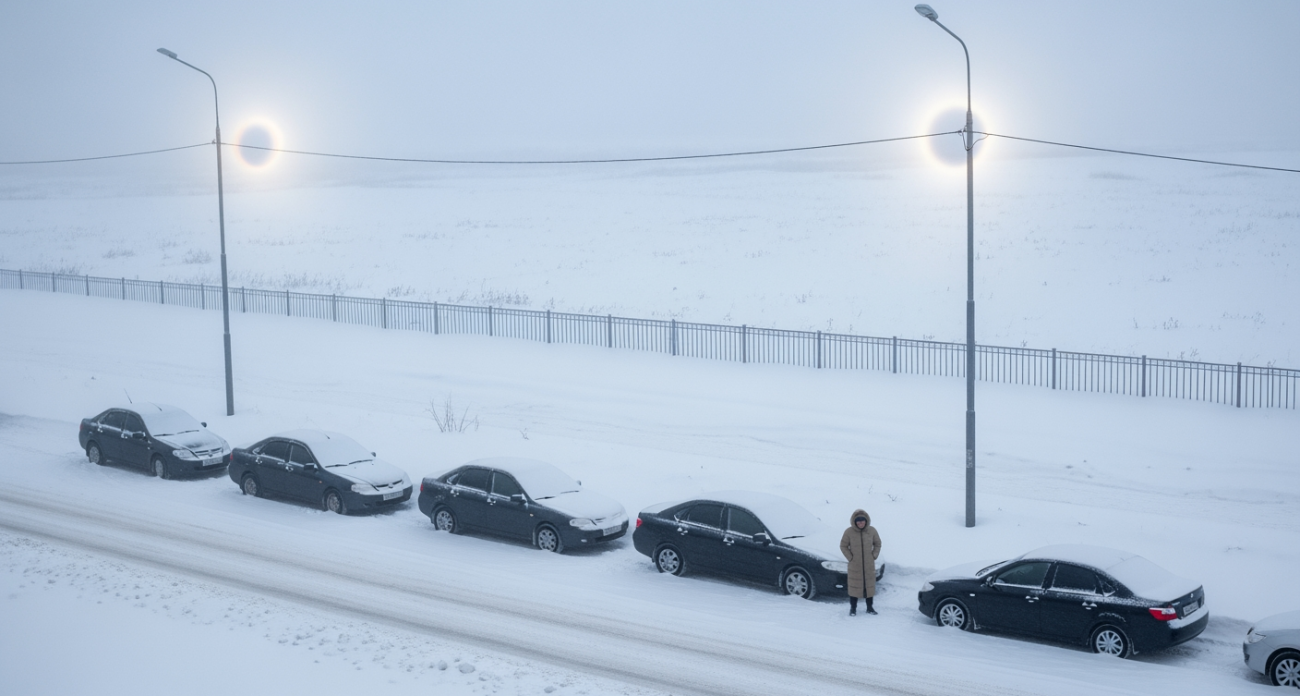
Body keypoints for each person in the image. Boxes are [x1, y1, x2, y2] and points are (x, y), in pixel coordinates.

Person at [839, 509, 881, 616]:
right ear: (854, 521)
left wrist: (874, 555)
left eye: (862, 521)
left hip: (868, 565)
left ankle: (870, 608)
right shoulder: (849, 532)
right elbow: (843, 546)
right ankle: (853, 609)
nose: (860, 523)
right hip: (855, 565)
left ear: (866, 521)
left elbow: (877, 543)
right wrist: (850, 558)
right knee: (854, 588)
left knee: (869, 587)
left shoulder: (872, 531)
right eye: (858, 521)